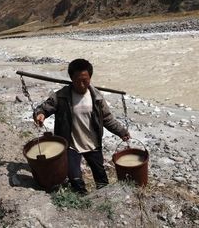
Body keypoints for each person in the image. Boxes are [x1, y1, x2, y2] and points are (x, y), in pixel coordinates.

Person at [34, 58, 130, 194]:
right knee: (75, 178)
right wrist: (40, 115)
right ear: (71, 78)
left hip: (93, 143)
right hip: (71, 145)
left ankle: (104, 200)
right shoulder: (61, 96)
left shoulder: (96, 97)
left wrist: (121, 131)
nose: (82, 84)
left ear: (90, 77)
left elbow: (107, 118)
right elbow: (43, 108)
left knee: (101, 178)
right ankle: (83, 203)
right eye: (77, 80)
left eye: (85, 80)